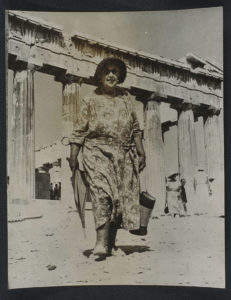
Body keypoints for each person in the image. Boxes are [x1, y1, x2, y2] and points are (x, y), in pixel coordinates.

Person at [68, 57, 146, 260]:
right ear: (100, 75)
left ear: (120, 76)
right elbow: (79, 131)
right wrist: (73, 156)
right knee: (102, 194)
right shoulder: (90, 99)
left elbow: (136, 129)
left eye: (115, 72)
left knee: (119, 200)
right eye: (107, 71)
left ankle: (112, 244)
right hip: (97, 151)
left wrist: (141, 151)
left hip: (123, 154)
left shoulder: (126, 98)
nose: (111, 75)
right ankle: (100, 244)